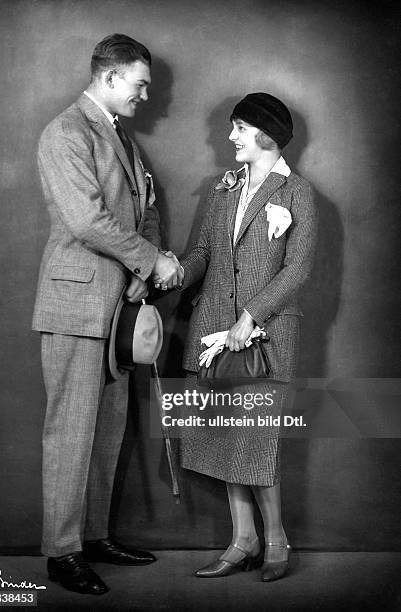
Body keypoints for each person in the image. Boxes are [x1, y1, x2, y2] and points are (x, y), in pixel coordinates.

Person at [32, 34, 182, 595]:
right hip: (75, 305)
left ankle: (94, 536)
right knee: (70, 432)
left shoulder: (122, 138)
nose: (147, 95)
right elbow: (87, 222)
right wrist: (153, 260)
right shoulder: (65, 132)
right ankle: (62, 552)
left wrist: (149, 272)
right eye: (141, 84)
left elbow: (145, 211)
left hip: (119, 309)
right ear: (110, 77)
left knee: (106, 431)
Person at [176, 93, 316, 581]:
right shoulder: (224, 187)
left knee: (256, 442)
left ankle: (276, 540)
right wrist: (172, 272)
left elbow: (297, 269)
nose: (230, 136)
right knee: (224, 441)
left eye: (239, 128)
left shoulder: (297, 193)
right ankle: (243, 540)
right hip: (211, 331)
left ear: (266, 135)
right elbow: (205, 252)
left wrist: (250, 316)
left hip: (266, 338)